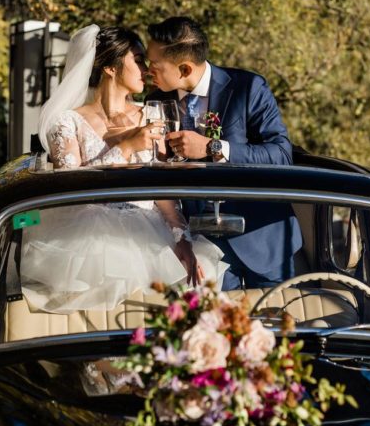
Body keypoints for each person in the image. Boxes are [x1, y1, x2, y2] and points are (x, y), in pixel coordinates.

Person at [20, 24, 227, 314]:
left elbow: (162, 190)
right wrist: (126, 147)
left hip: (151, 234)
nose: (147, 68)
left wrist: (182, 239)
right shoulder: (67, 122)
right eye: (138, 59)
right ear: (110, 68)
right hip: (88, 240)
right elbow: (69, 189)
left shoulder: (152, 113)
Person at [145, 16, 302, 290]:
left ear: (184, 68)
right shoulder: (155, 102)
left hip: (261, 238)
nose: (148, 71)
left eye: (155, 65)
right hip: (201, 247)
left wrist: (212, 147)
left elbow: (280, 155)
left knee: (276, 327)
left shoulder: (248, 88)